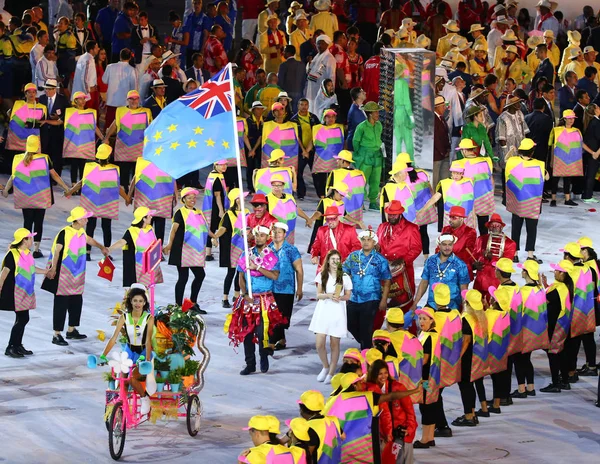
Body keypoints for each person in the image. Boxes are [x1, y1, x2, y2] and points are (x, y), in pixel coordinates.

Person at [42, 206, 108, 346]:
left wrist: (101, 247)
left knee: (76, 300)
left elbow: (89, 240)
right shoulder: (65, 232)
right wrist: (53, 268)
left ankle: (71, 330)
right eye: (84, 217)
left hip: (77, 273)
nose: (87, 219)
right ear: (77, 219)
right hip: (63, 272)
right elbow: (57, 251)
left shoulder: (81, 232)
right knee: (61, 302)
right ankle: (56, 334)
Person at [324, 371, 421, 463]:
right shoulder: (366, 397)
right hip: (362, 450)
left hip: (340, 450)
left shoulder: (331, 401)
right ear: (354, 385)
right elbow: (391, 396)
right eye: (359, 383)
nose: (361, 384)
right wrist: (415, 390)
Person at [228, 225, 286, 376]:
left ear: (268, 238)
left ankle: (264, 357)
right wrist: (244, 292)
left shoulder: (272, 256)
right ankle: (250, 364)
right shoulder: (246, 254)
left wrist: (257, 267)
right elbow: (240, 276)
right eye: (257, 235)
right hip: (249, 299)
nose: (259, 237)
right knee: (247, 332)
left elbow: (274, 276)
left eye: (262, 235)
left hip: (265, 299)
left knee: (262, 332)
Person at [1, 135, 70, 259]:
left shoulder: (17, 158)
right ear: (38, 145)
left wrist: (6, 190)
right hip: (41, 196)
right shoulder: (45, 158)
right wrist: (66, 188)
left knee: (27, 222)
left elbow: (13, 177)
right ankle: (36, 250)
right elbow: (54, 175)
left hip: (25, 196)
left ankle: (25, 248)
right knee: (38, 222)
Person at [67, 144, 128, 261]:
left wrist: (70, 191)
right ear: (109, 156)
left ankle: (88, 252)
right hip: (107, 203)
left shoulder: (90, 167)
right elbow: (118, 188)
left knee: (90, 226)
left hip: (92, 202)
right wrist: (127, 198)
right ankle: (107, 252)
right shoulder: (114, 169)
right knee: (106, 227)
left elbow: (81, 183)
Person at [100, 286, 154, 415]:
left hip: (142, 353)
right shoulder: (124, 317)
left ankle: (145, 398)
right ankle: (120, 408)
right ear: (130, 301)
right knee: (122, 379)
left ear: (145, 302)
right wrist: (103, 356)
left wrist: (146, 360)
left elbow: (148, 341)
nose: (138, 304)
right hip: (129, 351)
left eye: (141, 301)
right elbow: (113, 339)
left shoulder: (149, 318)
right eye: (135, 300)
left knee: (132, 378)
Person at [163, 187, 214, 313]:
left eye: (194, 197)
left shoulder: (199, 212)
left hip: (195, 251)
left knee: (200, 275)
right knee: (183, 277)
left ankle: (192, 303)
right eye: (189, 198)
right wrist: (169, 245)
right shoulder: (180, 213)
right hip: (182, 249)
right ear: (183, 199)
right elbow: (174, 230)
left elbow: (205, 228)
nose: (192, 200)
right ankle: (178, 306)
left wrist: (215, 237)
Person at [1, 228, 48, 358]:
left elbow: (31, 269)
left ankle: (17, 345)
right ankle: (11, 346)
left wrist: (45, 272)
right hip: (15, 291)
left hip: (26, 291)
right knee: (22, 318)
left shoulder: (27, 253)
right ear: (24, 240)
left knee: (22, 318)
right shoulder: (13, 254)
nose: (32, 240)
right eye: (30, 238)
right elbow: (4, 273)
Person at [343, 229, 392, 350]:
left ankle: (366, 353)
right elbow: (343, 272)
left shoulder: (380, 260)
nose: (366, 242)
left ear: (374, 242)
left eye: (369, 240)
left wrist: (384, 299)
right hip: (354, 297)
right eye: (363, 240)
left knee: (366, 327)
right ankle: (369, 344)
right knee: (349, 324)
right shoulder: (353, 256)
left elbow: (387, 281)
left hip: (371, 298)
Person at [309, 249, 353, 384]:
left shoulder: (344, 276)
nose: (335, 262)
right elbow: (318, 295)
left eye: (338, 259)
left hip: (337, 311)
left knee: (335, 343)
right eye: (333, 259)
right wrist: (328, 295)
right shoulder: (323, 274)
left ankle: (332, 371)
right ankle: (325, 366)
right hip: (323, 310)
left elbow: (348, 295)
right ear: (328, 260)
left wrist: (340, 297)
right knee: (319, 343)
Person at [377, 200, 422, 312]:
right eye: (389, 214)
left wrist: (404, 260)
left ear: (400, 214)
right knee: (381, 304)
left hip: (403, 272)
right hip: (384, 271)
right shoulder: (382, 226)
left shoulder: (411, 228)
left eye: (394, 214)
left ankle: (406, 328)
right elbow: (378, 246)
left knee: (404, 304)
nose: (391, 217)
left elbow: (417, 248)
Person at [511, 260, 547, 398]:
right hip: (535, 332)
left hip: (523, 332)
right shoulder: (540, 289)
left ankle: (521, 389)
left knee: (518, 360)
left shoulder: (522, 292)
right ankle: (530, 387)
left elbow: (515, 313)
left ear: (525, 272)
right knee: (526, 359)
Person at [104, 90, 153, 190]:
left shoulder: (146, 111)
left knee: (137, 170)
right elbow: (115, 124)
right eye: (131, 99)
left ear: (139, 99)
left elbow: (151, 127)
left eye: (136, 98)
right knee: (124, 169)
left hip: (139, 146)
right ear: (127, 100)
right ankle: (124, 189)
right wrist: (107, 137)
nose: (134, 101)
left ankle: (135, 190)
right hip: (123, 146)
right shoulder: (120, 111)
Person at [107, 206, 164, 289]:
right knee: (136, 289)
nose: (151, 217)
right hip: (136, 265)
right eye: (149, 215)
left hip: (150, 264)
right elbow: (122, 242)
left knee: (147, 288)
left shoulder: (150, 228)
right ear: (143, 218)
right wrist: (110, 249)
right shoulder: (132, 230)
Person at [540, 259, 575, 393]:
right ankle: (565, 381)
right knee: (561, 353)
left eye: (557, 270)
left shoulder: (558, 289)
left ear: (563, 274)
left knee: (553, 354)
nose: (554, 272)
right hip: (562, 325)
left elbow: (544, 301)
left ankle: (555, 383)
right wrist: (545, 285)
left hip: (554, 326)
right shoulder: (565, 287)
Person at [411, 234, 470, 311]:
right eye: (444, 244)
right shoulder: (430, 261)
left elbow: (464, 288)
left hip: (451, 307)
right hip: (432, 305)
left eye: (450, 244)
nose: (447, 248)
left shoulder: (460, 265)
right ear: (439, 245)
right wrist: (415, 303)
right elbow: (424, 283)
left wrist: (464, 310)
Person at [268, 222, 303, 351]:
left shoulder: (291, 250)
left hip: (286, 289)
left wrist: (299, 288)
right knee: (272, 316)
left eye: (279, 232)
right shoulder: (267, 249)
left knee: (282, 316)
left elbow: (299, 270)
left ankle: (272, 342)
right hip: (270, 288)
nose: (276, 234)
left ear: (285, 234)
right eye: (274, 231)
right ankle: (277, 340)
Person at [213, 189, 248, 308]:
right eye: (240, 198)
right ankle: (225, 297)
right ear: (235, 200)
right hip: (233, 247)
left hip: (245, 247)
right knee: (231, 272)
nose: (243, 199)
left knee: (241, 273)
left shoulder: (247, 213)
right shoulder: (229, 215)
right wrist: (215, 237)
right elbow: (223, 229)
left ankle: (237, 295)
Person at [296, 390, 344, 463]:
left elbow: (306, 455)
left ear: (302, 410)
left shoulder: (308, 427)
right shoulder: (333, 420)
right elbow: (343, 436)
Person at [352, 101, 384, 211]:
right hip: (365, 155)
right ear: (370, 114)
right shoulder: (361, 127)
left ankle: (373, 201)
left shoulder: (379, 125)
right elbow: (355, 142)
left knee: (375, 179)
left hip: (377, 155)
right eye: (376, 112)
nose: (378, 115)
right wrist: (359, 154)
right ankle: (359, 202)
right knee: (362, 180)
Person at [548, 109, 583, 207]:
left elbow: (579, 147)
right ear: (564, 119)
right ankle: (553, 199)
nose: (571, 120)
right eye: (569, 118)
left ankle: (567, 199)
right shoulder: (556, 130)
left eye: (573, 118)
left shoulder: (577, 131)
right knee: (555, 179)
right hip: (558, 159)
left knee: (567, 180)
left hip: (570, 160)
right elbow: (552, 146)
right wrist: (551, 160)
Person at [310, 205, 361, 270]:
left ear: (338, 218)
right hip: (325, 267)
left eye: (332, 219)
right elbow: (315, 246)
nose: (330, 222)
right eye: (327, 219)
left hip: (343, 267)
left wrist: (349, 261)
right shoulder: (321, 230)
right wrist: (314, 255)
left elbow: (357, 246)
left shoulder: (349, 229)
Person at [238, 415, 306, 463]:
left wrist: (241, 461)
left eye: (251, 435)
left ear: (256, 433)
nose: (252, 439)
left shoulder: (254, 454)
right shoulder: (297, 452)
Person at [266, 174, 311, 245]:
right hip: (274, 233)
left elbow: (296, 209)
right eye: (274, 185)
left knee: (288, 252)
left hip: (289, 232)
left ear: (283, 186)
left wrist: (307, 218)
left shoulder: (289, 197)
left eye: (279, 185)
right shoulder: (266, 199)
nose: (277, 188)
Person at [102, 48, 138, 130]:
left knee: (109, 126)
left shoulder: (110, 67)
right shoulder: (132, 70)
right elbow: (134, 88)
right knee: (123, 128)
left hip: (111, 101)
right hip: (125, 103)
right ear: (130, 58)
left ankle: (107, 141)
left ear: (120, 57)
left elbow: (104, 80)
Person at [306, 34, 336, 113]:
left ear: (327, 44)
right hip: (312, 89)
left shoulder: (329, 58)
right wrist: (309, 63)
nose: (319, 45)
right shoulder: (316, 57)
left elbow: (331, 76)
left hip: (322, 91)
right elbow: (309, 72)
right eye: (318, 43)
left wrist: (330, 92)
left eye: (322, 43)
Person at [278, 45, 305, 112]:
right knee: (297, 113)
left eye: (284, 51)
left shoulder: (283, 65)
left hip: (287, 94)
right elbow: (304, 80)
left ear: (288, 53)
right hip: (299, 93)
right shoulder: (302, 64)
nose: (283, 52)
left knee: (288, 113)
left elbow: (280, 82)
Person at [582, 103, 600, 204]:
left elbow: (583, 142)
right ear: (595, 110)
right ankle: (588, 196)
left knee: (589, 174)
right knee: (591, 175)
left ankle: (586, 194)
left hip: (590, 152)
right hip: (594, 152)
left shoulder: (589, 122)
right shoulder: (596, 123)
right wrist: (596, 153)